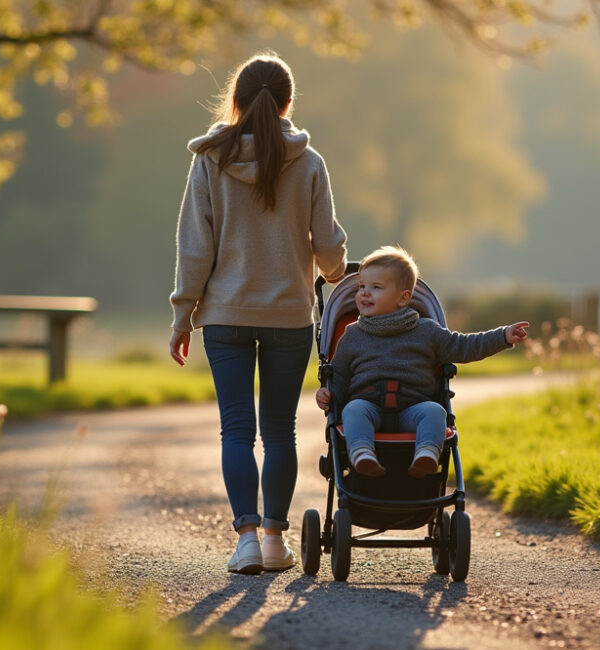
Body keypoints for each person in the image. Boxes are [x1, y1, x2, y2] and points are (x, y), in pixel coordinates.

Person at [168, 52, 348, 574]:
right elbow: (331, 253)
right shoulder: (310, 163)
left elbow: (194, 249)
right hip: (289, 317)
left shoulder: (210, 161)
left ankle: (245, 537)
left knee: (235, 430)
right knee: (279, 431)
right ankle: (274, 541)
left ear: (237, 102)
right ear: (288, 103)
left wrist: (183, 316)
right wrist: (333, 268)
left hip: (224, 316)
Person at [314, 246, 529, 478]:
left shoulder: (427, 331)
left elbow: (465, 345)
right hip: (368, 406)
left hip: (412, 409)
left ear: (404, 297)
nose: (364, 293)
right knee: (353, 410)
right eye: (361, 287)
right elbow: (340, 375)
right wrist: (328, 394)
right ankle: (362, 454)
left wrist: (503, 336)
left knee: (435, 411)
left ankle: (427, 453)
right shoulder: (352, 336)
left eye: (376, 288)